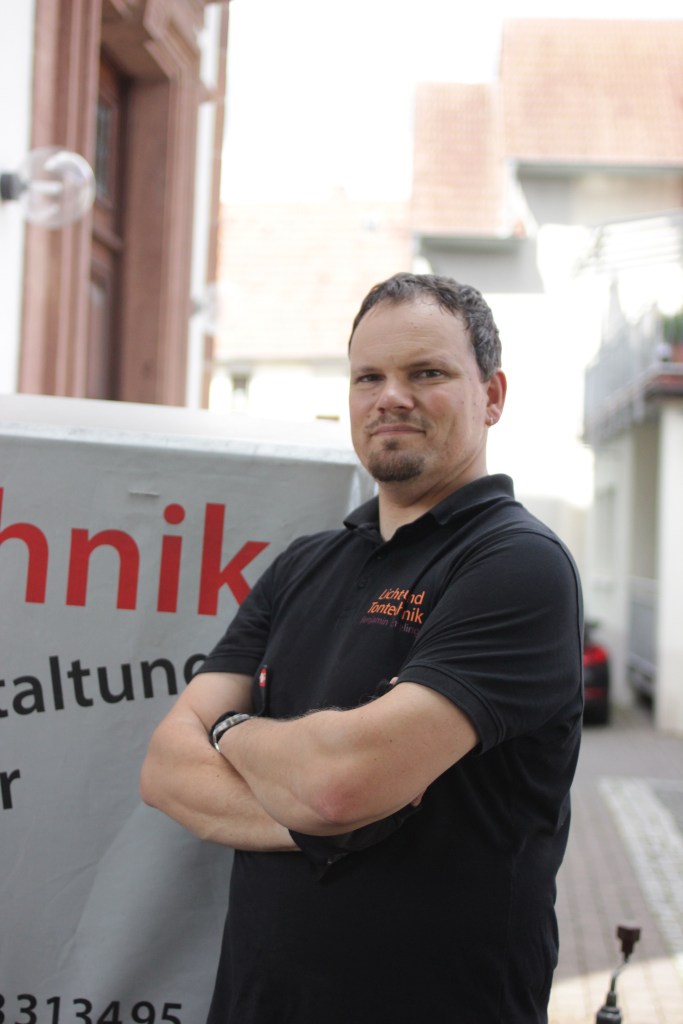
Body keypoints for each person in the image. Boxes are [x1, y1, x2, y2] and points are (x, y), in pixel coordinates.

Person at [140, 272, 583, 1024]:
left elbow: (341, 785)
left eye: (427, 373)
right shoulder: (303, 565)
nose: (390, 397)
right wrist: (323, 821)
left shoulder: (516, 564)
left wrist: (231, 731)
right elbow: (164, 770)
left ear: (492, 395)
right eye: (368, 377)